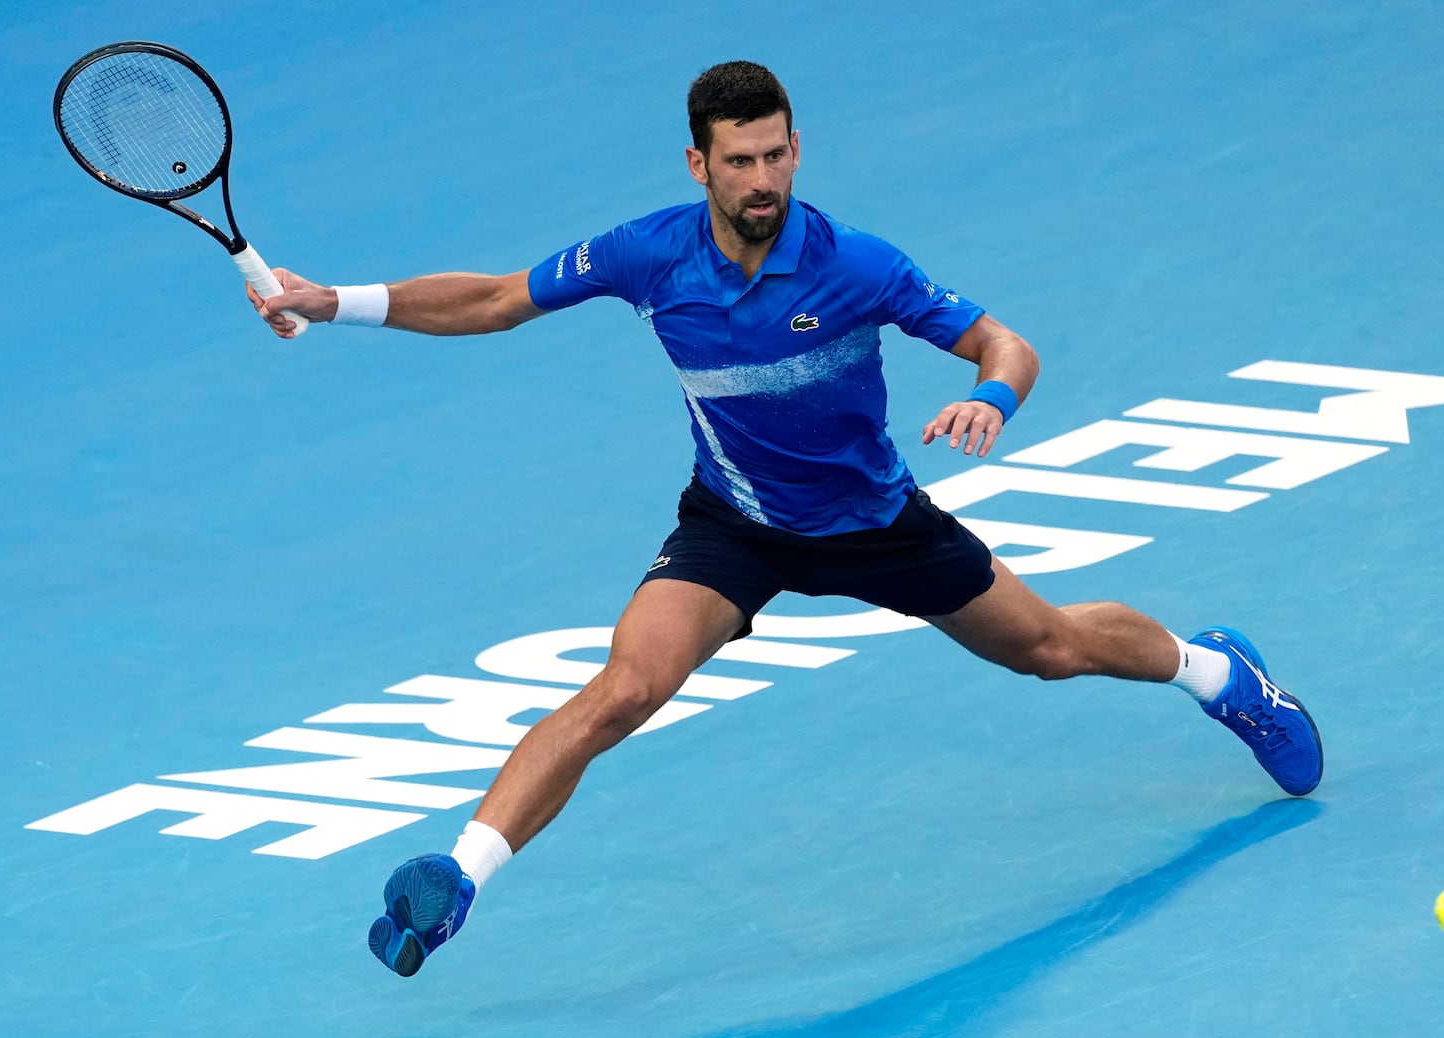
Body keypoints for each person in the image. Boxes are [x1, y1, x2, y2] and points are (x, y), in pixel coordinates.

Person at [248, 61, 1322, 979]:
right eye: (739, 160)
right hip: (737, 523)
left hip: (871, 519)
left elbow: (1008, 345)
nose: (762, 179)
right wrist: (331, 298)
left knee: (1049, 647)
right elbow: (492, 299)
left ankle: (1216, 671)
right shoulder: (648, 254)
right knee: (624, 688)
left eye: (777, 156)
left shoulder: (858, 264)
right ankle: (460, 877)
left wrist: (988, 399)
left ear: (795, 151)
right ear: (696, 166)